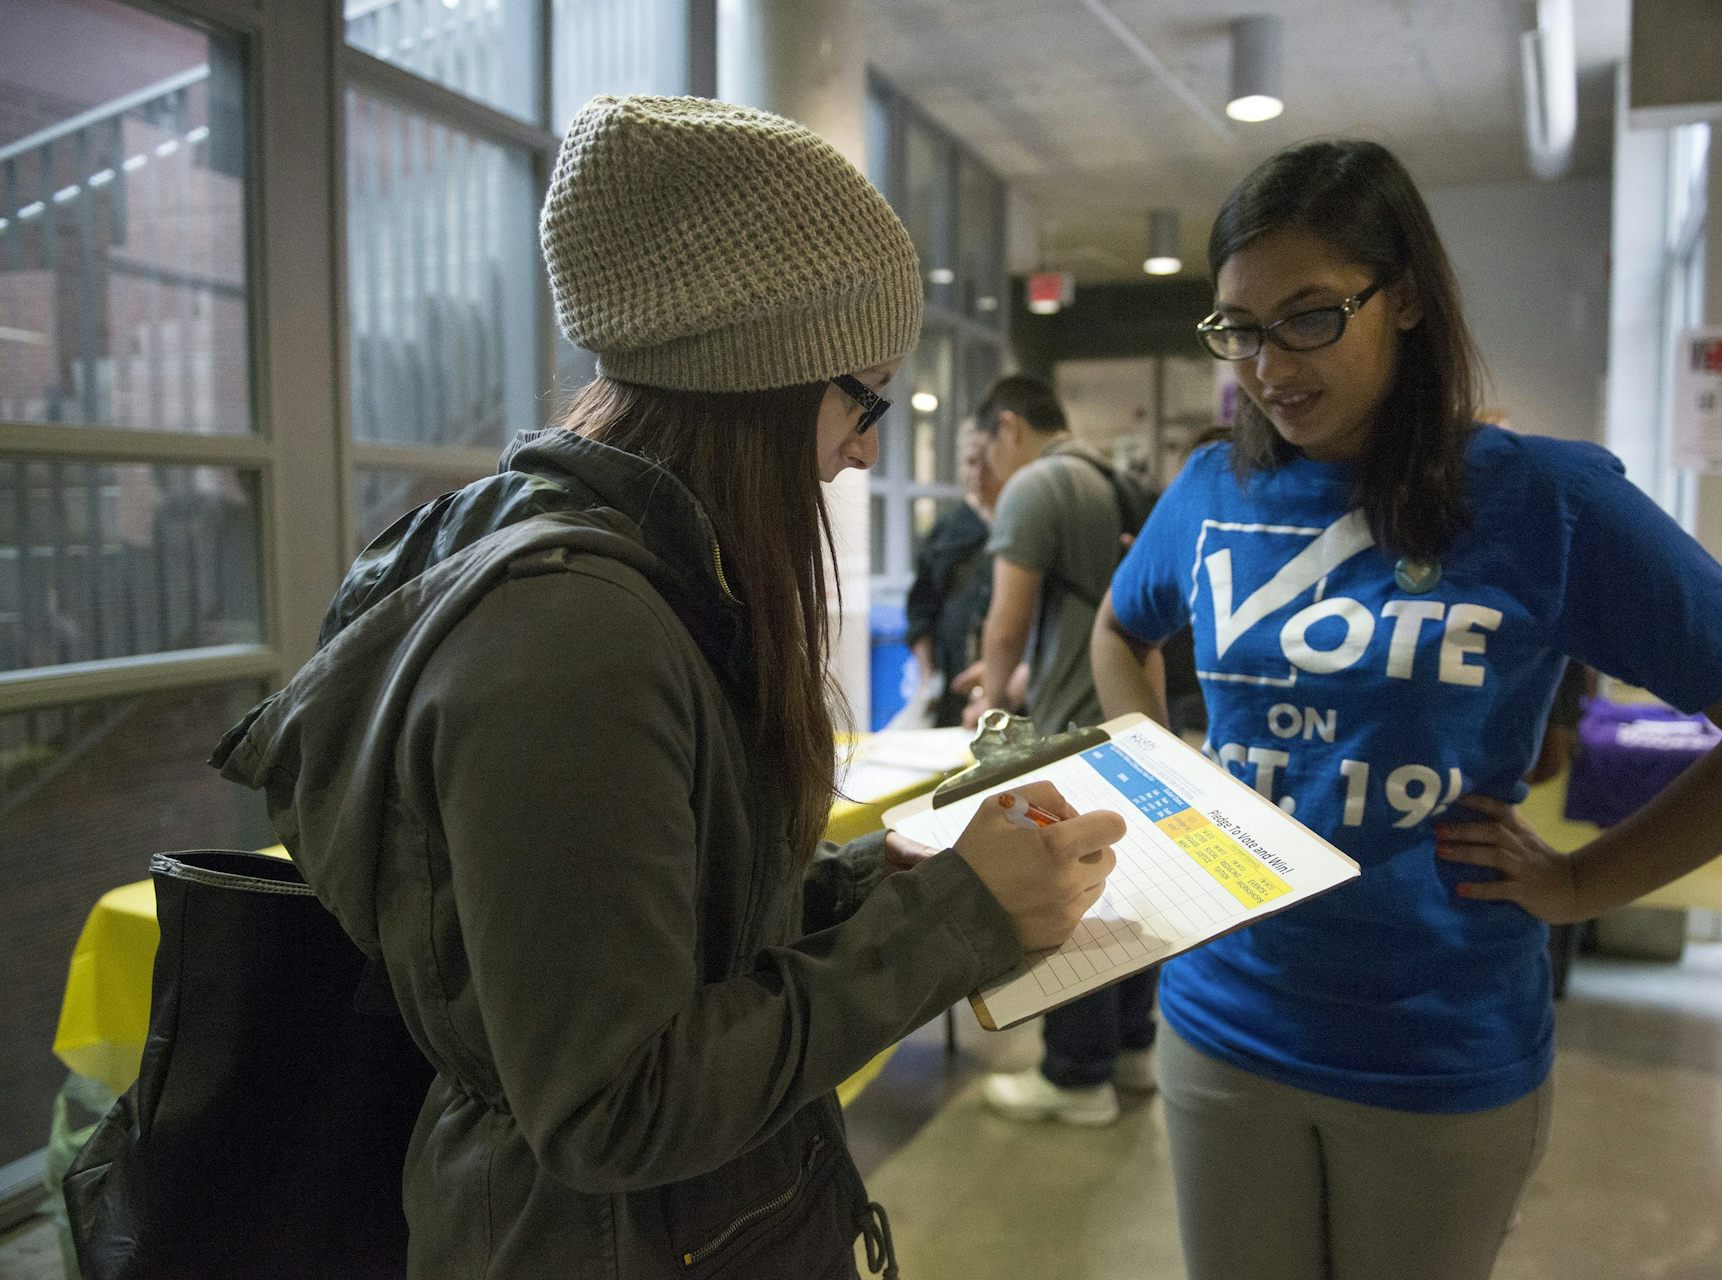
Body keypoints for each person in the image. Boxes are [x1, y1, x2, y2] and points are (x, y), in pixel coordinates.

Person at [213, 96, 1124, 1280]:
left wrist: (875, 888)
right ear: (757, 379)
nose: (864, 448)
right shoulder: (572, 639)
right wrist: (954, 920)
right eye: (866, 397)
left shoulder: (642, 578)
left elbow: (671, 945)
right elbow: (616, 1101)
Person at [1089, 139, 1722, 1280]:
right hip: (1224, 1015)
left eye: (1306, 317)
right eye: (1240, 328)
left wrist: (1586, 885)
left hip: (1434, 1044)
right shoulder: (1212, 490)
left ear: (1401, 300)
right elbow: (1119, 628)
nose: (1267, 364)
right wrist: (1161, 779)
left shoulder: (1543, 498)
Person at [963, 373, 1163, 1127]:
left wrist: (990, 702)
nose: (987, 468)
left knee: (1073, 902)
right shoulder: (1119, 478)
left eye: (983, 449)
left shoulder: (1037, 486)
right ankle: (1132, 1051)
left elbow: (1006, 622)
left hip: (1070, 730)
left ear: (1008, 427)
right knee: (1132, 889)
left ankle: (1075, 1077)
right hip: (1133, 720)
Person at [904, 423, 1000, 727]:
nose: (979, 473)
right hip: (952, 692)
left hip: (1007, 691)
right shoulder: (947, 531)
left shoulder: (1021, 525)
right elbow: (921, 610)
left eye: (988, 461)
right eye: (971, 462)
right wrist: (928, 678)